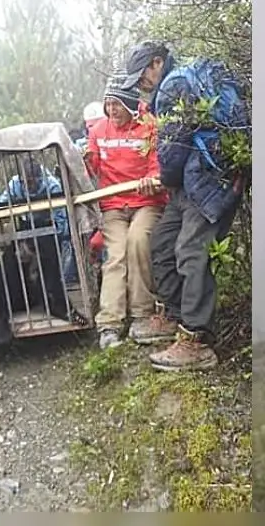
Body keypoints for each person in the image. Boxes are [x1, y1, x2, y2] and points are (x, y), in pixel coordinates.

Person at [118, 41, 251, 372]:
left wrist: (163, 175)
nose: (139, 85)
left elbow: (172, 149)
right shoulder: (187, 77)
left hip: (210, 182)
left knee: (191, 251)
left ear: (156, 64)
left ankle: (196, 340)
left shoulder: (173, 86)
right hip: (191, 182)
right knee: (162, 242)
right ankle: (176, 317)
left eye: (141, 76)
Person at [85, 73, 167, 350]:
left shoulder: (150, 126)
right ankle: (109, 323)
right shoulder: (98, 130)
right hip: (113, 205)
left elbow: (159, 163)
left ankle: (143, 313)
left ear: (130, 103)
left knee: (138, 241)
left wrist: (153, 178)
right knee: (116, 254)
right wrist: (85, 162)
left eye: (116, 104)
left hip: (146, 202)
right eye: (108, 104)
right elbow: (90, 168)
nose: (111, 111)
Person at [0, 159, 79, 285]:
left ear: (39, 178)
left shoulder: (52, 185)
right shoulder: (15, 183)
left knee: (50, 265)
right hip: (26, 226)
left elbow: (61, 221)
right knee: (13, 258)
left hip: (47, 226)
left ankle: (52, 288)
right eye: (24, 182)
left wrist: (58, 239)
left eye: (30, 182)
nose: (26, 186)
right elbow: (0, 204)